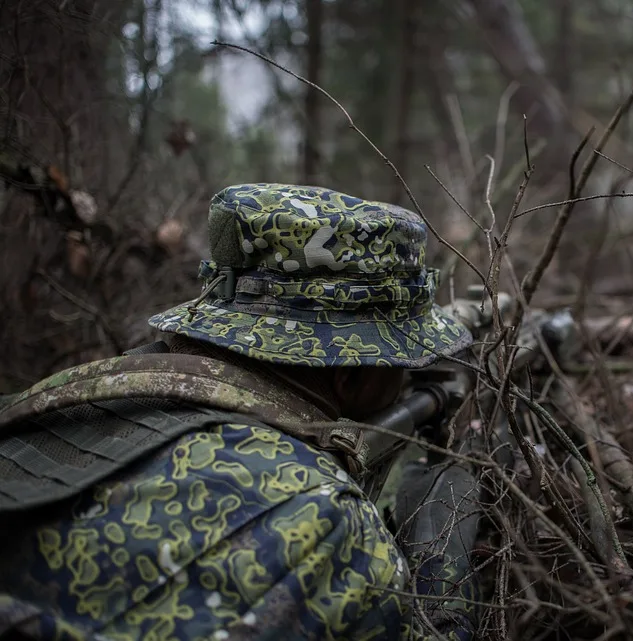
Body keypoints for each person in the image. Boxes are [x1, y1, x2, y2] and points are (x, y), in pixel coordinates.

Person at [0, 183, 480, 641]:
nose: (405, 380)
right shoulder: (323, 518)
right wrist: (441, 541)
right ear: (348, 375)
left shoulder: (64, 400)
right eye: (402, 363)